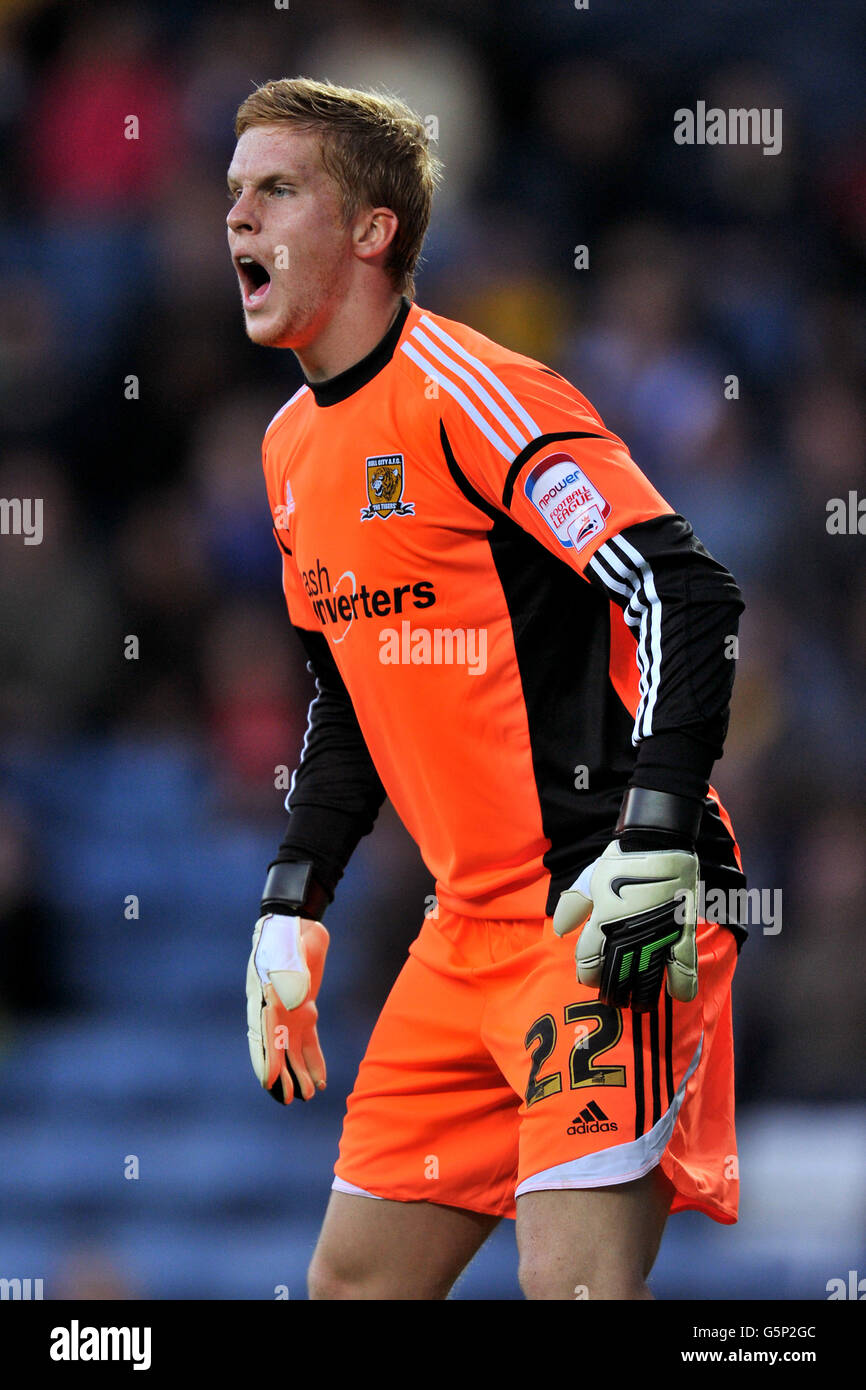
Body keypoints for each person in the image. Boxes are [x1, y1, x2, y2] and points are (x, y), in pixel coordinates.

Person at [232, 77, 746, 1301]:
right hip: (460, 935)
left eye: (276, 191)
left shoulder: (476, 393)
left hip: (597, 911)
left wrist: (658, 837)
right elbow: (347, 701)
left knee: (568, 1292)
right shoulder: (288, 449)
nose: (238, 222)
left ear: (371, 231)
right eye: (232, 195)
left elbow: (685, 592)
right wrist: (293, 897)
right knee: (353, 1286)